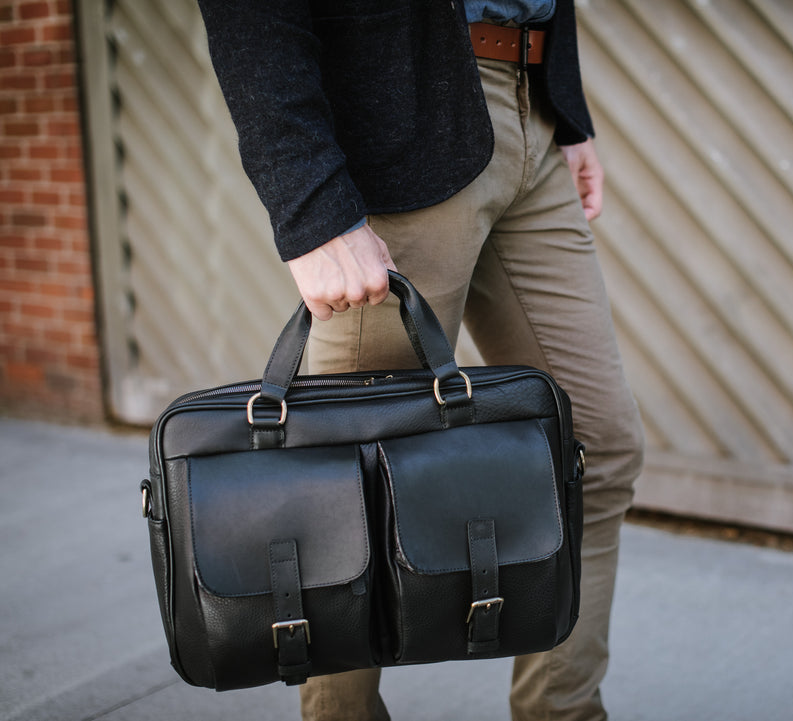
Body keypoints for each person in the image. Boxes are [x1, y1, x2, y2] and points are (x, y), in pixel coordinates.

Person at [196, 2, 644, 719]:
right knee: (344, 493)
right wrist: (310, 209)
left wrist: (568, 107)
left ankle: (563, 710)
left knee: (599, 444)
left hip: (532, 113)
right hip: (404, 118)